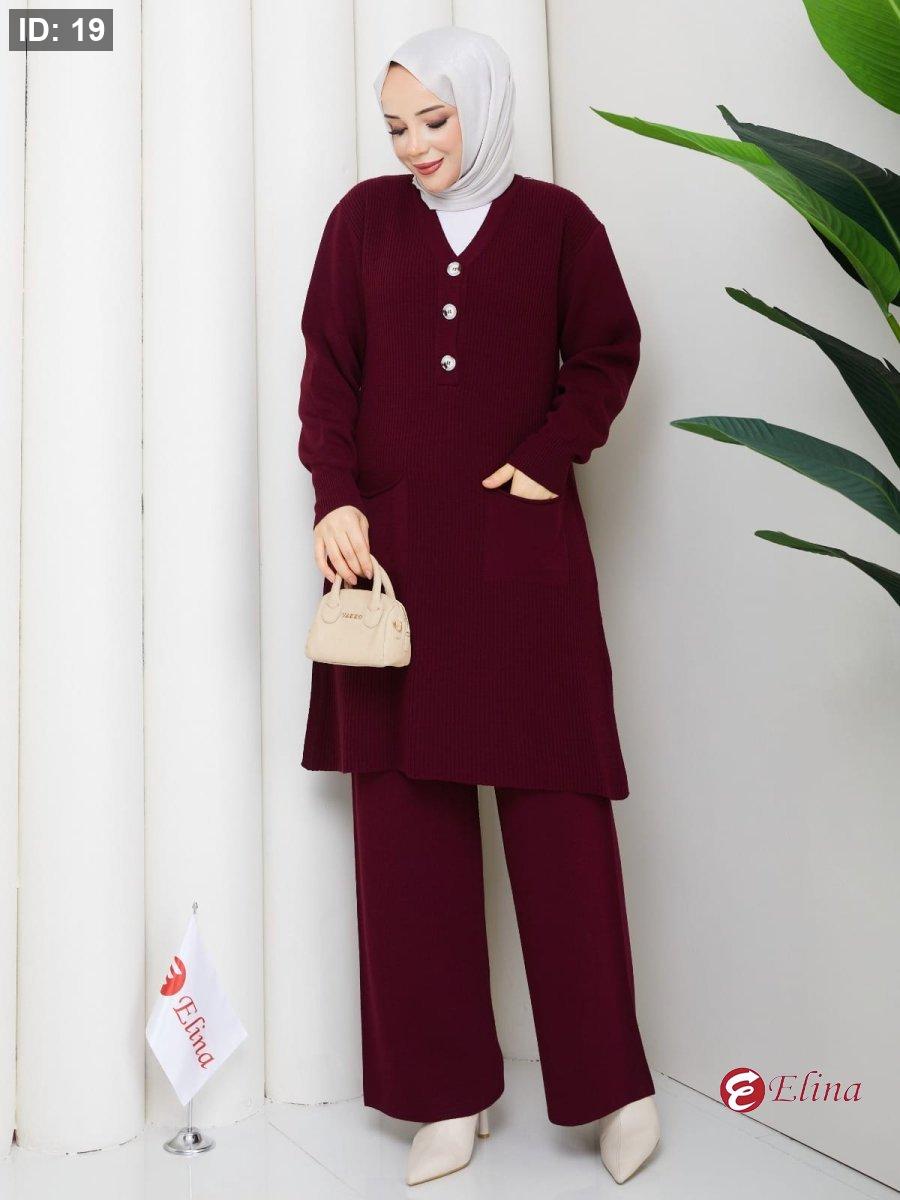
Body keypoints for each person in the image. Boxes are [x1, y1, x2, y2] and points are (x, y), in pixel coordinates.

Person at [297, 23, 661, 1187]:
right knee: (408, 829)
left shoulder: (558, 225)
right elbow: (328, 373)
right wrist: (336, 498)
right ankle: (443, 1095)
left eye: (436, 120)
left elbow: (606, 353)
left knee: (560, 819)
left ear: (483, 109)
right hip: (391, 558)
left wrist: (549, 458)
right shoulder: (362, 223)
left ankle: (613, 1088)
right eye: (397, 126)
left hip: (521, 553)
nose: (415, 146)